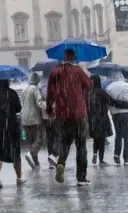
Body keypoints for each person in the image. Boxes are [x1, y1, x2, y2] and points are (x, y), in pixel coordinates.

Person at [44, 49, 92, 185]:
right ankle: (81, 178)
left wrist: (49, 108)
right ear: (74, 58)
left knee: (65, 142)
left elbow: (50, 93)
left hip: (62, 114)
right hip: (78, 113)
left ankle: (60, 163)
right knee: (81, 145)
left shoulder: (55, 72)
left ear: (63, 58)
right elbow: (89, 85)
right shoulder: (78, 71)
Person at [0, 77, 24, 188]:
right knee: (15, 153)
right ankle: (18, 178)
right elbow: (18, 108)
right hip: (11, 126)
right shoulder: (11, 93)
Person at [107, 77, 128, 165]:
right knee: (127, 136)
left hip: (115, 114)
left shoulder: (109, 87)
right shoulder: (127, 86)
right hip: (126, 114)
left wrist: (110, 112)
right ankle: (126, 158)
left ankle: (116, 154)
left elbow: (107, 102)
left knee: (118, 134)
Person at [86, 75, 112, 166]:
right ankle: (101, 160)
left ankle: (94, 154)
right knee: (102, 140)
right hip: (102, 118)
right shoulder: (102, 93)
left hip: (92, 120)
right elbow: (110, 102)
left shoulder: (89, 93)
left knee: (96, 139)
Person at [19, 77, 46, 169]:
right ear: (37, 82)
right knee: (38, 139)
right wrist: (47, 106)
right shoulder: (35, 89)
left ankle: (36, 162)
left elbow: (22, 104)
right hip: (34, 119)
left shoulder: (24, 90)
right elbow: (39, 103)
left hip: (25, 119)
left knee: (31, 140)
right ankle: (30, 154)